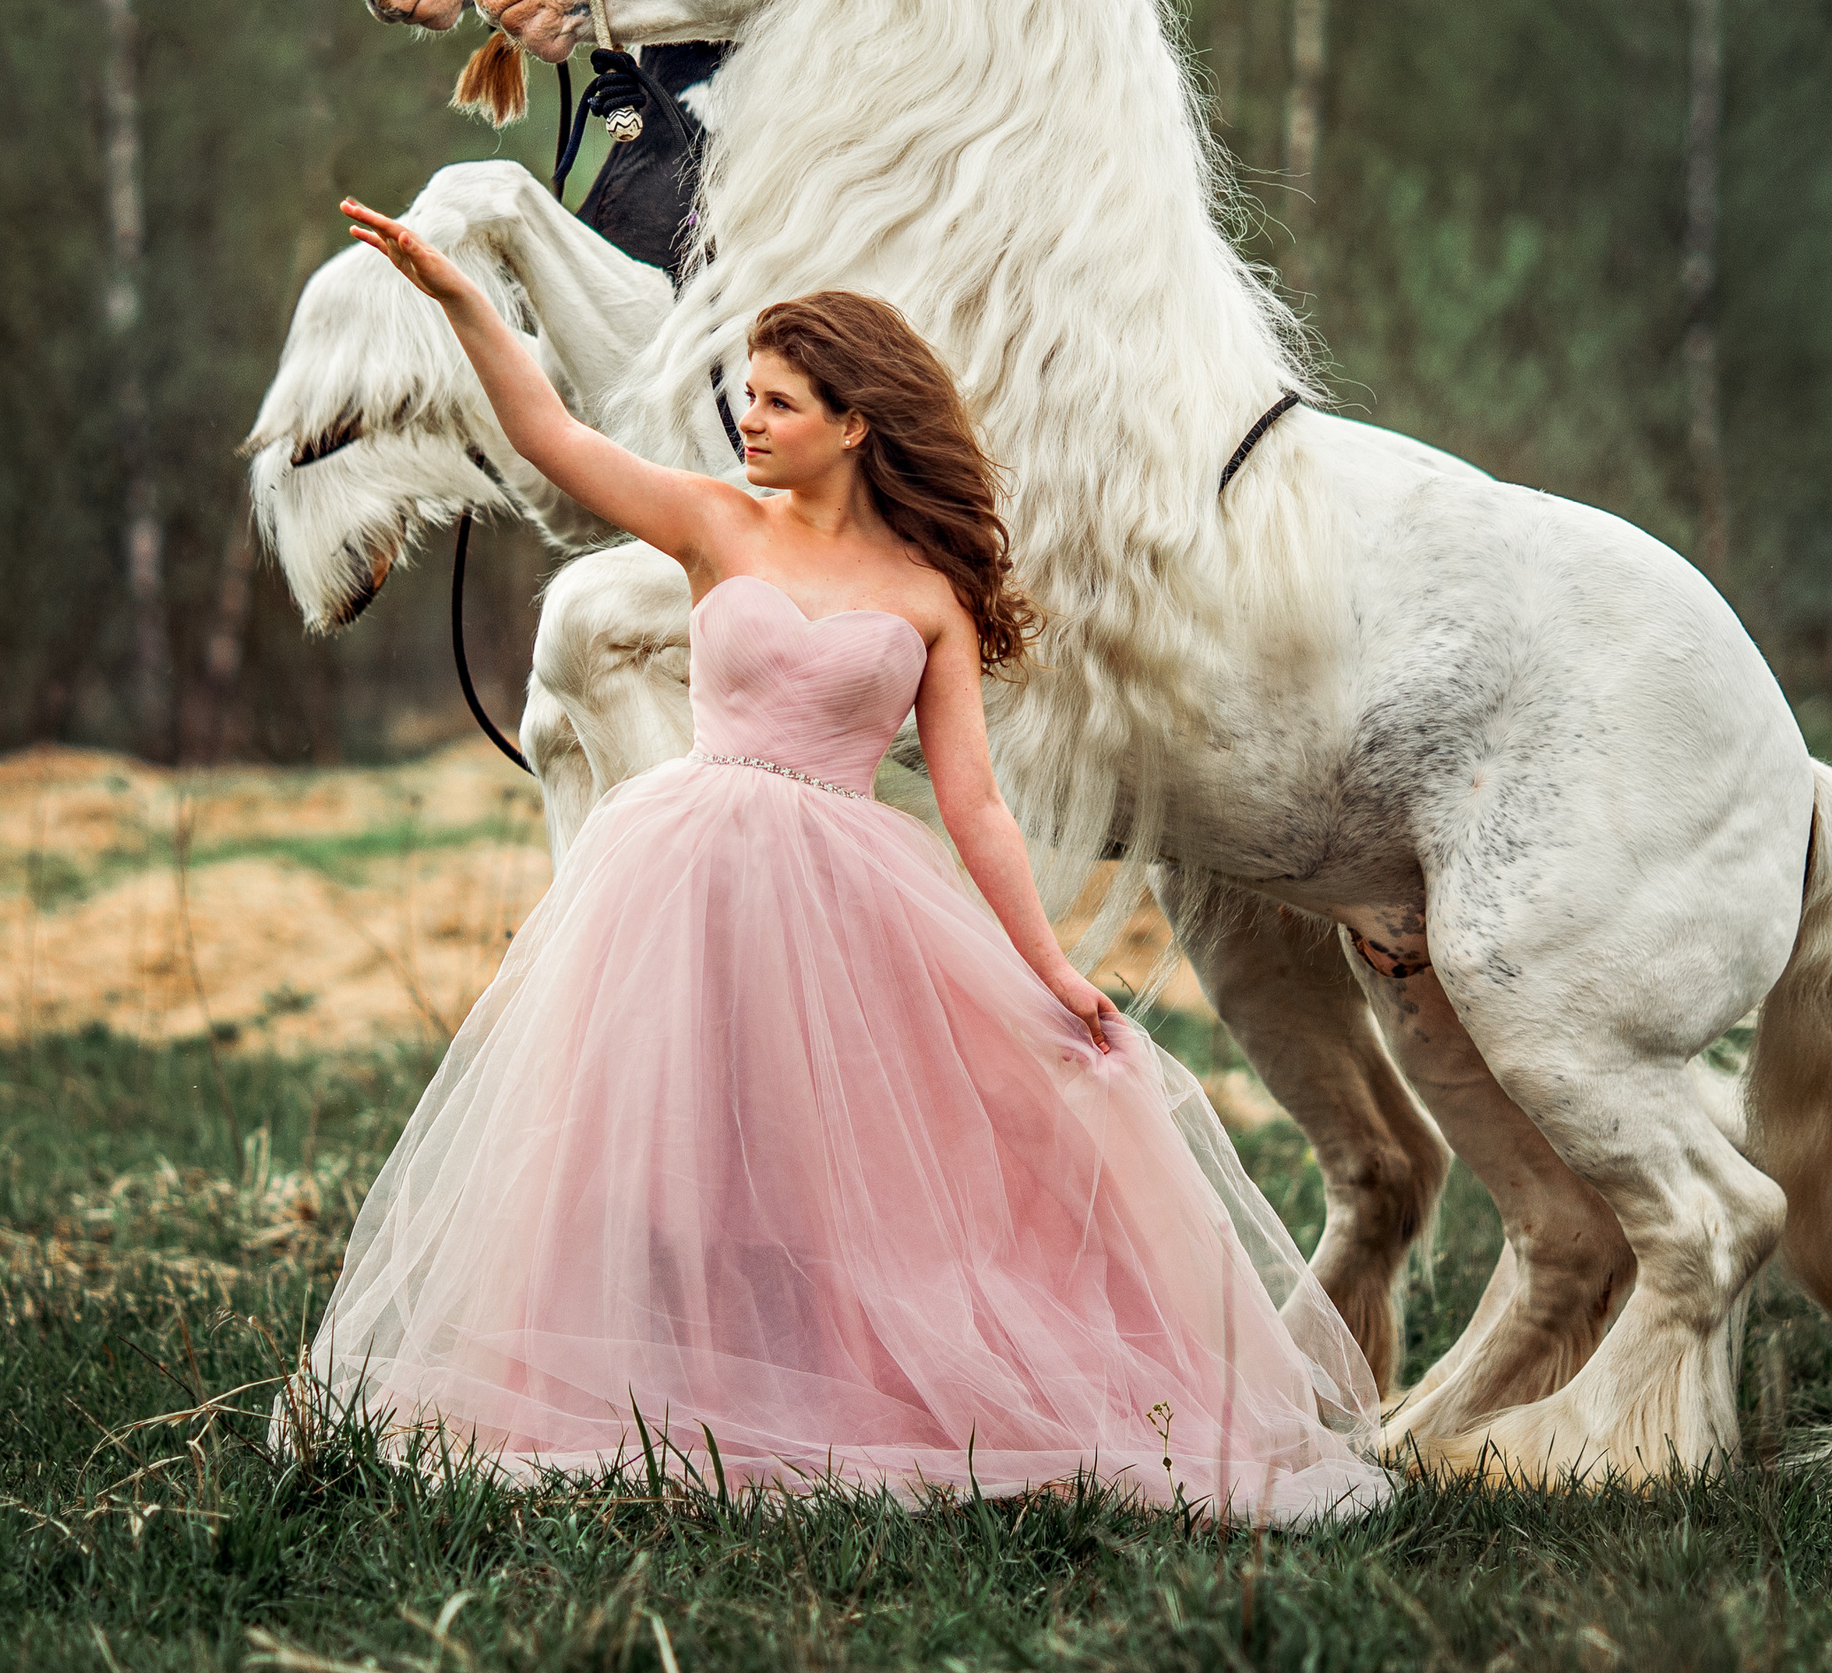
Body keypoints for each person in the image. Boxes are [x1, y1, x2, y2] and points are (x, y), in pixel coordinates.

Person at [286, 197, 1392, 1521]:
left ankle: (824, 1389)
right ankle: (663, 1388)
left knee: (843, 1171)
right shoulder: (714, 524)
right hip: (686, 872)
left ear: (855, 420)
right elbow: (549, 435)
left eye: (779, 401)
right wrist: (458, 297)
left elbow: (975, 803)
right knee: (671, 1146)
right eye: (746, 395)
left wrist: (1047, 969)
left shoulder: (925, 592)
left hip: (849, 893)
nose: (748, 419)